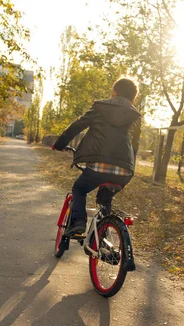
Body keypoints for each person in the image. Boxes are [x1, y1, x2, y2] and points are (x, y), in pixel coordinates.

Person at [52, 78, 142, 236]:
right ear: (133, 98)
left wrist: (59, 144)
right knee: (105, 200)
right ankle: (102, 239)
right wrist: (129, 165)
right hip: (125, 171)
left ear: (114, 92)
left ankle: (79, 222)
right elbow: (135, 145)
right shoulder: (135, 116)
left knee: (79, 189)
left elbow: (78, 125)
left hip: (98, 166)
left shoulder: (101, 107)